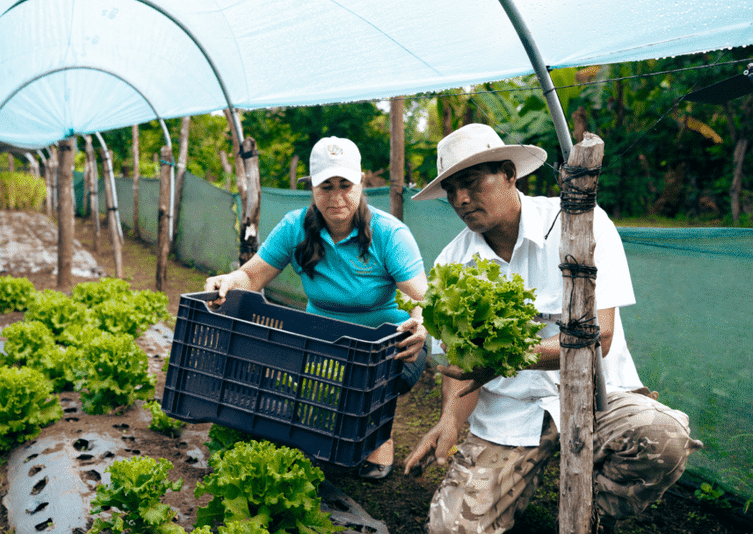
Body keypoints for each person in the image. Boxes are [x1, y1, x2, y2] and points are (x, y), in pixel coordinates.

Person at [403, 124, 702, 534]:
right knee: (450, 529)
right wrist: (450, 421)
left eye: (471, 182)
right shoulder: (452, 264)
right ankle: (514, 482)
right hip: (510, 413)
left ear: (509, 173)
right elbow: (462, 363)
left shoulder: (579, 225)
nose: (460, 199)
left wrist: (509, 358)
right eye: (451, 190)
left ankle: (593, 509)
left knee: (663, 438)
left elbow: (602, 335)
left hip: (599, 398)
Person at [205, 135, 429, 480]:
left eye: (345, 185)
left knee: (369, 380)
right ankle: (334, 427)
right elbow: (252, 276)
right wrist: (228, 280)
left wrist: (420, 325)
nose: (336, 197)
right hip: (322, 339)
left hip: (386, 345)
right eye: (326, 186)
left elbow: (421, 299)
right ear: (311, 187)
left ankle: (379, 435)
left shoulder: (389, 234)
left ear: (361, 182)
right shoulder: (295, 226)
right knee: (315, 396)